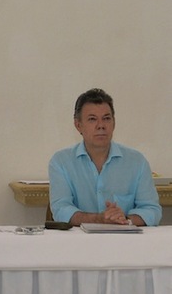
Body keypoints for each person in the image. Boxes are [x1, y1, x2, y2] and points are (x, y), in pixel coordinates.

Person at [48, 88, 161, 226]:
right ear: (78, 125)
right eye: (92, 119)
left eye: (106, 118)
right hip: (78, 244)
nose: (101, 126)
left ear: (114, 123)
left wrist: (124, 219)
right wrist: (100, 219)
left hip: (126, 242)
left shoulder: (137, 161)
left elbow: (152, 210)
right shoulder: (61, 162)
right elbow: (61, 210)